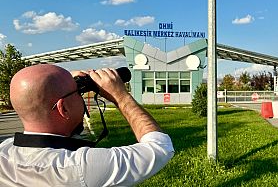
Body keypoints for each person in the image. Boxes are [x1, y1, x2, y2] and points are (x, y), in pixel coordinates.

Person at [0, 64, 174, 186]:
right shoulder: (79, 167)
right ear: (63, 108)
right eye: (78, 93)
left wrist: (61, 83)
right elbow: (160, 147)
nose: (82, 97)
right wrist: (120, 96)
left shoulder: (4, 153)